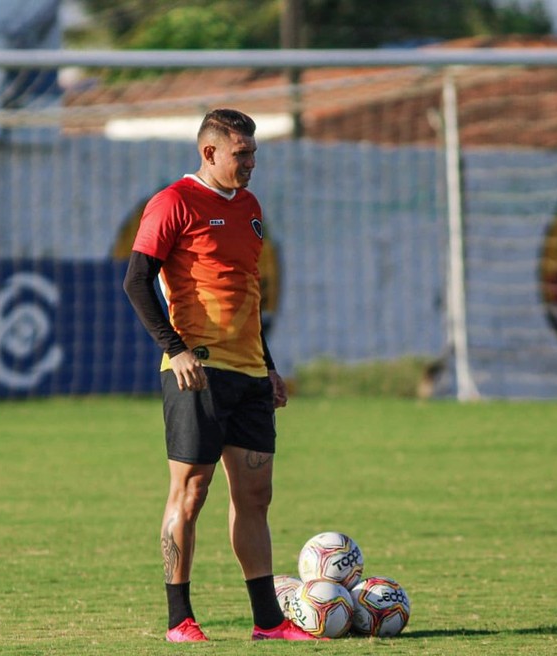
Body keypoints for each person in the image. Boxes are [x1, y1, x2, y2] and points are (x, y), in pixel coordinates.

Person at [123, 108, 321, 643]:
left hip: (250, 374)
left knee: (255, 497)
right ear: (209, 153)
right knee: (190, 494)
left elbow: (247, 297)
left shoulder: (251, 207)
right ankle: (179, 620)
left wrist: (270, 367)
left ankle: (268, 622)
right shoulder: (173, 203)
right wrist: (177, 349)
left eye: (254, 152)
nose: (252, 162)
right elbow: (136, 282)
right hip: (199, 373)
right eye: (243, 153)